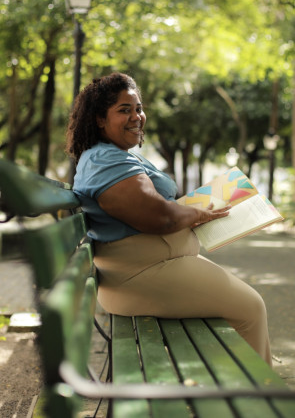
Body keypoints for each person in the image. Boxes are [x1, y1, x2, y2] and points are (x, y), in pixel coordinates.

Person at [66, 72, 272, 366]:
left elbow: (159, 211)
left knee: (242, 310)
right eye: (124, 110)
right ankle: (252, 403)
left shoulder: (115, 155)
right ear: (100, 119)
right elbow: (159, 216)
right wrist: (195, 213)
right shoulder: (105, 159)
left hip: (153, 268)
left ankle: (229, 394)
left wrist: (191, 214)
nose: (136, 117)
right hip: (139, 275)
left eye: (138, 108)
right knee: (251, 309)